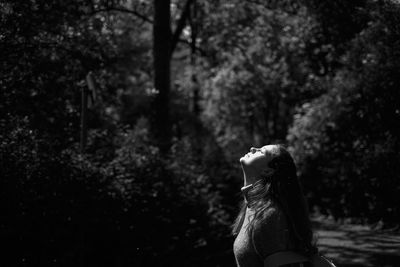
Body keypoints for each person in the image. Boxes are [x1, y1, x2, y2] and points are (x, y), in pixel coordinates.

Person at [233, 144, 316, 267]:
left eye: (261, 151)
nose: (253, 149)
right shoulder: (252, 207)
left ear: (268, 171)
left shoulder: (269, 216)